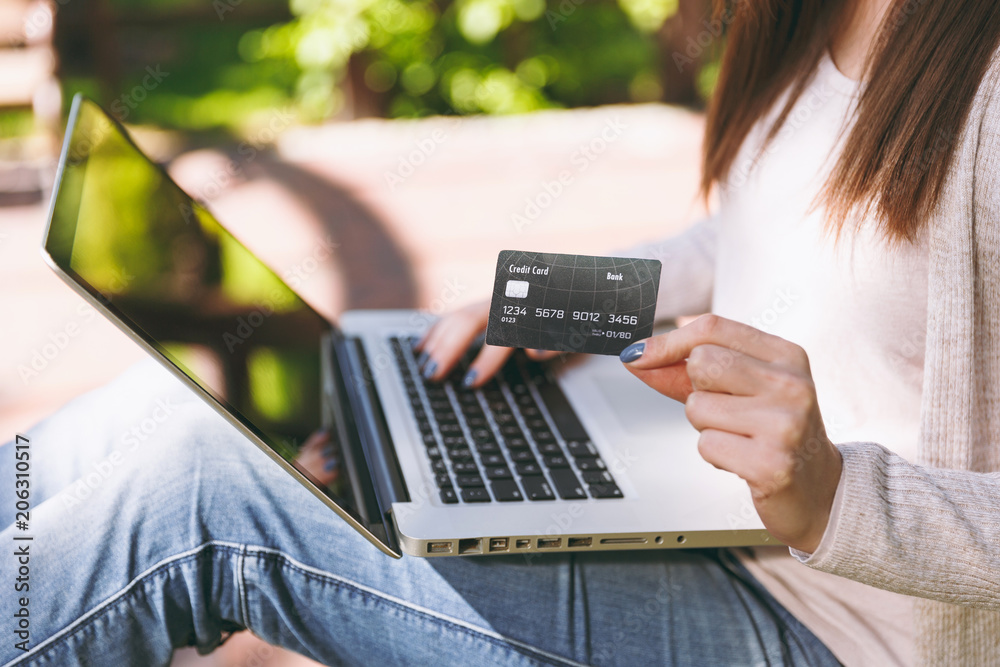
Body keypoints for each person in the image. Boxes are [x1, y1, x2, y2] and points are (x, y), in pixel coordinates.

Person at [3, 0, 999, 664]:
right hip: (710, 501)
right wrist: (581, 301)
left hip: (840, 630)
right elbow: (766, 226)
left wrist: (837, 495)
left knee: (208, 492)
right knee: (169, 406)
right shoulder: (804, 14)